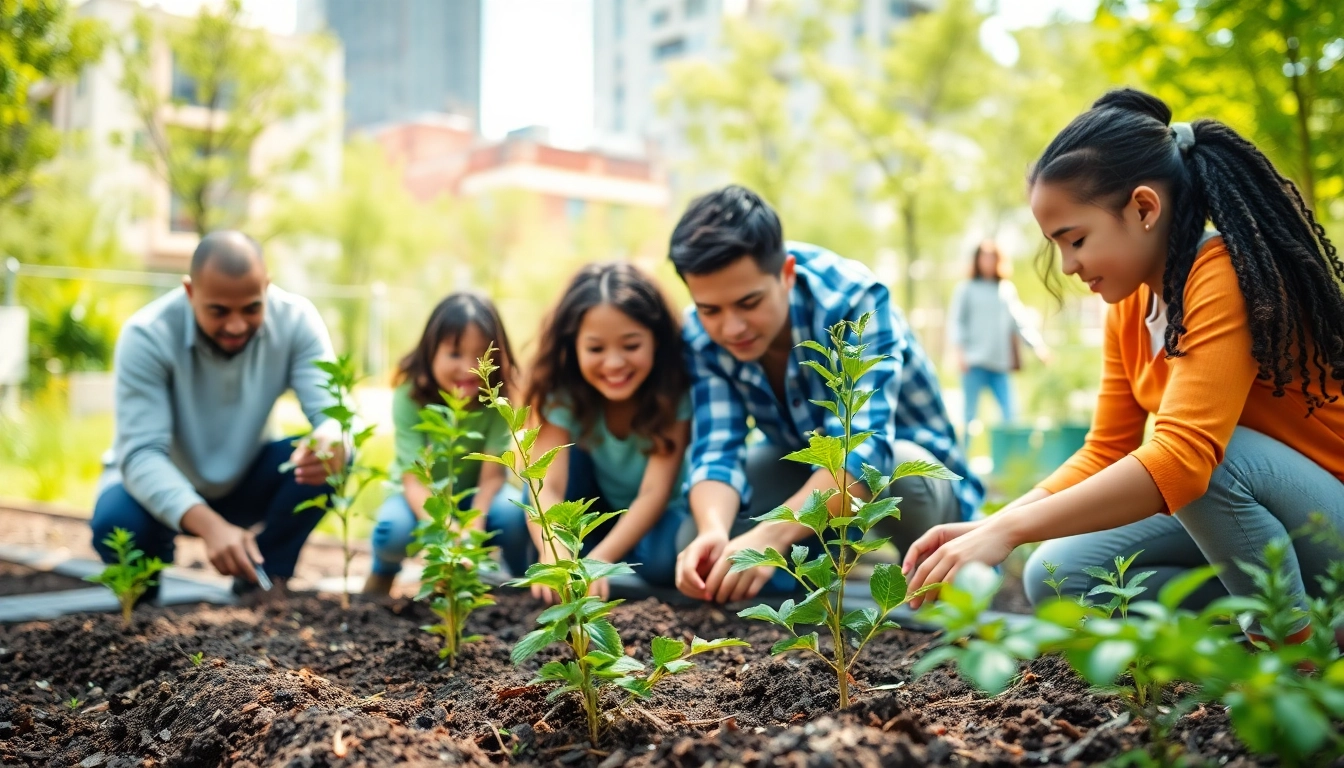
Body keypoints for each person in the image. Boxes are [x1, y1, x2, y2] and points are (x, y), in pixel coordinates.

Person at [903, 89, 1344, 645]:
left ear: (1143, 208)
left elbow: (1184, 462)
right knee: (1056, 575)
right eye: (1056, 246)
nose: (1067, 266)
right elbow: (1105, 450)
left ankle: (1292, 656)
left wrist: (1008, 529)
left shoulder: (1220, 274)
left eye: (1077, 239)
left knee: (1200, 462)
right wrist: (995, 527)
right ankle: (1298, 631)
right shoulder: (1130, 304)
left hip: (1330, 520)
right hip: (1262, 530)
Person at [669, 185, 984, 604]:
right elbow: (716, 447)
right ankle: (802, 585)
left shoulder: (856, 301)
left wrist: (773, 534)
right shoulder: (700, 332)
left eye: (749, 303)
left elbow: (862, 452)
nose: (731, 328)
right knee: (698, 541)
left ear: (786, 273)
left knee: (897, 474)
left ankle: (942, 570)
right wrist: (713, 530)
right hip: (805, 470)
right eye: (710, 310)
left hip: (903, 479)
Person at [91, 231, 344, 599]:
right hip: (151, 488)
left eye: (252, 308)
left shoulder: (297, 320)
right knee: (118, 526)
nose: (237, 325)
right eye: (219, 311)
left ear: (267, 288)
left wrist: (334, 435)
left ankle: (263, 581)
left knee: (329, 459)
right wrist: (211, 527)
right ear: (190, 293)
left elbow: (335, 414)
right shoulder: (147, 335)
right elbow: (141, 455)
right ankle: (142, 604)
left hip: (243, 478)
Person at [509, 262, 692, 604]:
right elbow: (547, 488)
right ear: (572, 346)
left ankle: (612, 561)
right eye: (595, 349)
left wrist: (599, 562)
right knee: (531, 487)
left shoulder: (672, 388)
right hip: (593, 504)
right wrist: (555, 551)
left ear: (656, 341)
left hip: (656, 513)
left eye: (631, 346)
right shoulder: (561, 389)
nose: (613, 364)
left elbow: (654, 491)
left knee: (661, 561)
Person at [362, 292, 528, 595]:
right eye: (454, 354)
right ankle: (383, 573)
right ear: (430, 352)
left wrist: (474, 522)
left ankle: (522, 582)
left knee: (516, 519)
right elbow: (414, 480)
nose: (468, 368)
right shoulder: (411, 396)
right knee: (392, 531)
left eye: (481, 356)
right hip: (420, 497)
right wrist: (442, 528)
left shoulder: (497, 400)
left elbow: (493, 475)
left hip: (479, 493)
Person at [948, 239, 1047, 443]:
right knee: (969, 417)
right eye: (983, 256)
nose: (988, 261)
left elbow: (1019, 322)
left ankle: (1009, 461)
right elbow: (956, 322)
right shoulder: (966, 289)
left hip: (999, 363)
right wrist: (959, 354)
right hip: (973, 362)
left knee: (1011, 414)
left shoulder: (1005, 290)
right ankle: (961, 464)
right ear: (977, 260)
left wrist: (1038, 347)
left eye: (992, 257)